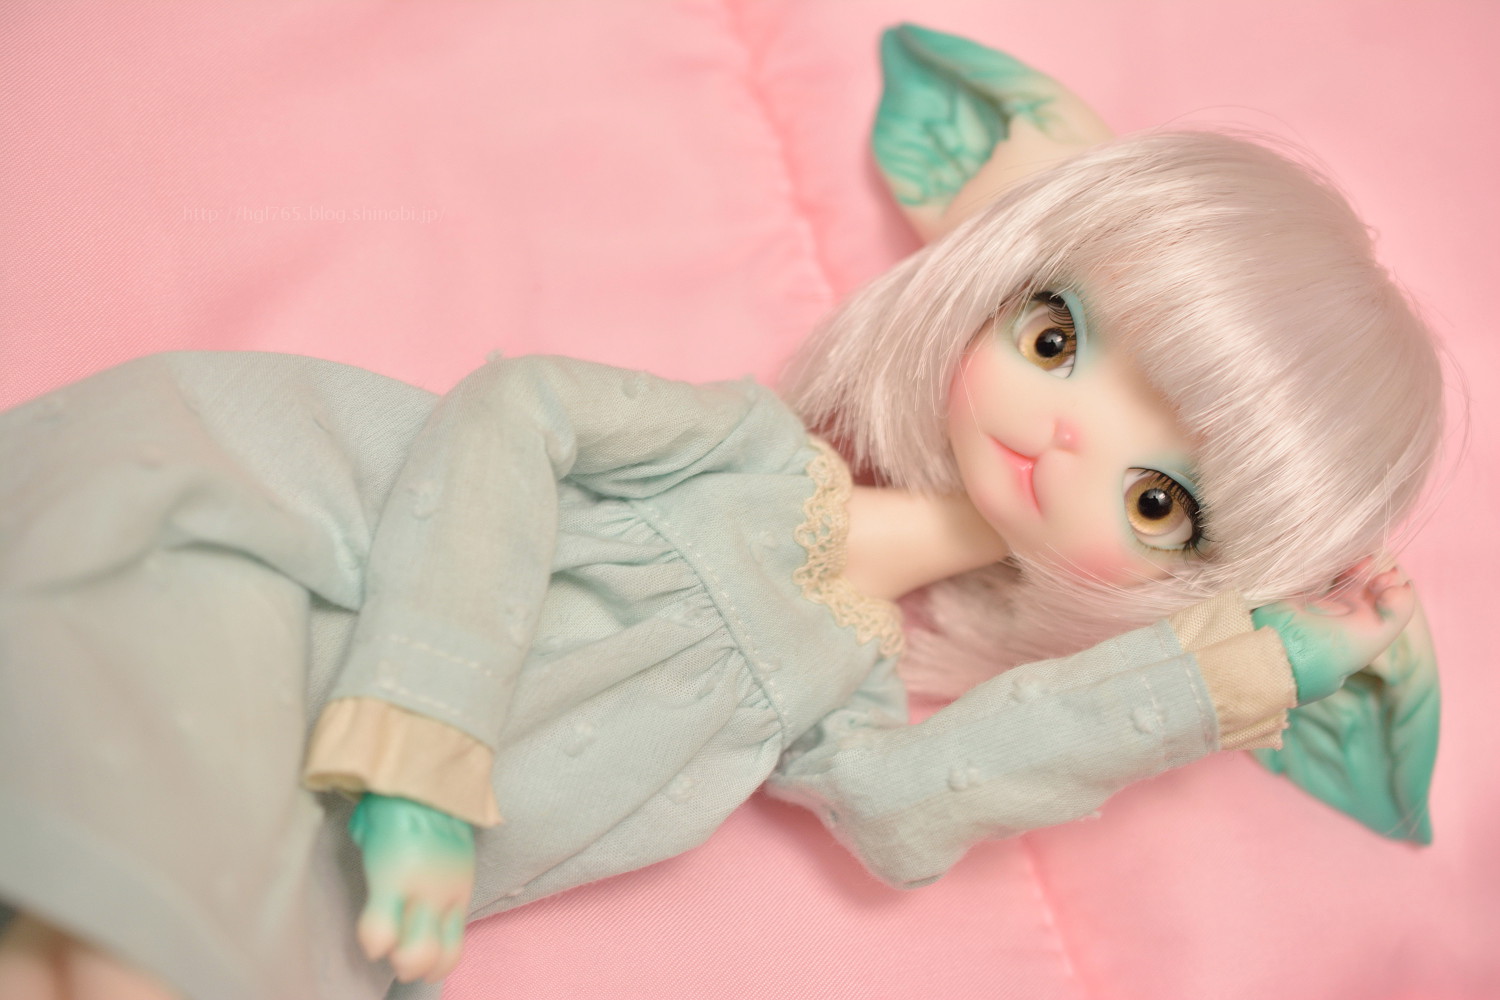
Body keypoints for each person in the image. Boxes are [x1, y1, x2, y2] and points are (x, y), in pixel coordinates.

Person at [0, 27, 1442, 1000]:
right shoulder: (743, 455)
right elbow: (515, 415)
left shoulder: (841, 686)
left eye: (1155, 499)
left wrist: (1239, 677)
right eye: (1056, 338)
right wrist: (425, 759)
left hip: (332, 867)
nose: (1064, 432)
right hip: (282, 582)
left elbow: (905, 808)